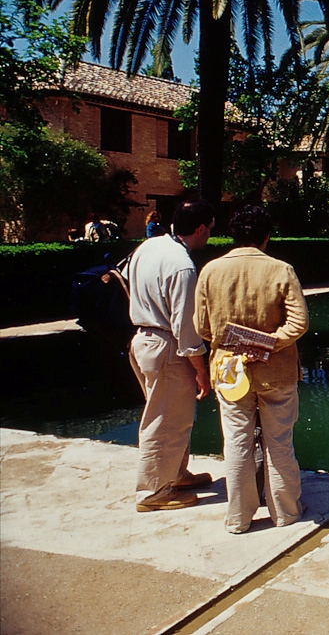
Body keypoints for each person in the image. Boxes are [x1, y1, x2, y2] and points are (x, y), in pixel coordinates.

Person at [194, 205, 309, 534]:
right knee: (279, 442)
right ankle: (285, 512)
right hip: (276, 372)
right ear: (267, 236)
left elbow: (202, 327)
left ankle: (238, 518)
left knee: (236, 443)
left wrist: (240, 346)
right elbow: (298, 324)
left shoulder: (211, 271)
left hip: (229, 370)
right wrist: (265, 346)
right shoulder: (281, 270)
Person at [125, 200, 215, 511]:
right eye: (210, 230)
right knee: (164, 421)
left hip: (143, 339)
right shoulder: (183, 266)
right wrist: (201, 369)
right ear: (201, 228)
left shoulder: (148, 247)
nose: (210, 237)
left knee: (173, 416)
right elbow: (185, 328)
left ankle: (175, 473)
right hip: (166, 346)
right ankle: (152, 493)